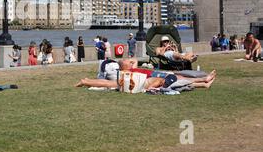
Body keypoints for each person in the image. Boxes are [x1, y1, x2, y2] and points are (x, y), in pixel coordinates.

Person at [75, 59, 216, 90]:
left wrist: (87, 81)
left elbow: (134, 60)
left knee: (179, 79)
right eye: (126, 61)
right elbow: (105, 83)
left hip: (155, 74)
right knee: (179, 79)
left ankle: (204, 82)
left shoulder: (130, 69)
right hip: (154, 77)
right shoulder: (125, 74)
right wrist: (87, 81)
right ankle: (204, 81)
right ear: (123, 66)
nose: (130, 61)